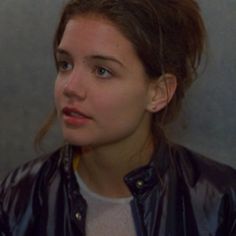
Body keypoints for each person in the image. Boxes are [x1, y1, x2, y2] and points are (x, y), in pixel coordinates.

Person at [0, 0, 236, 235]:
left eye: (102, 70)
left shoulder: (222, 201)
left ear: (159, 92)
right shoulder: (17, 199)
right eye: (65, 64)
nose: (70, 87)